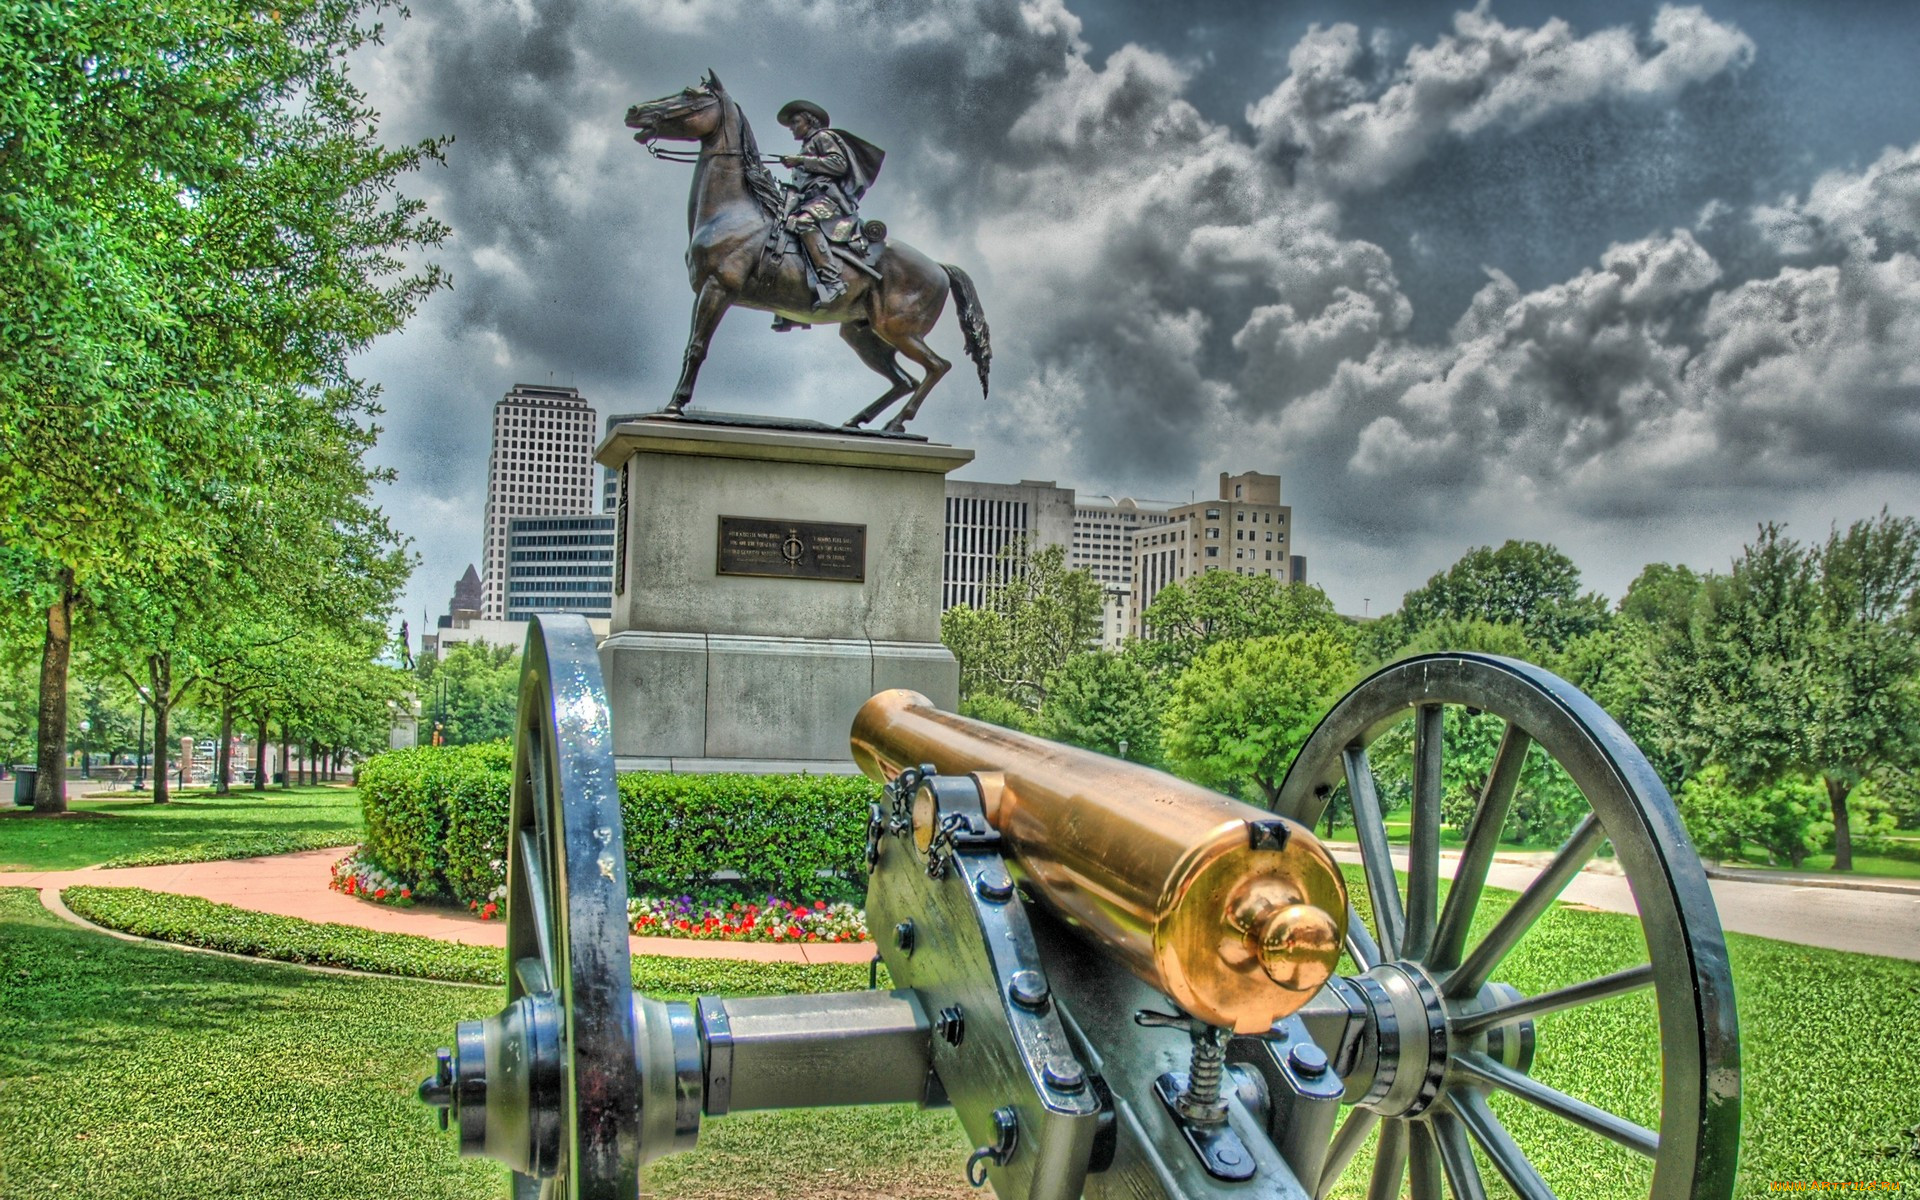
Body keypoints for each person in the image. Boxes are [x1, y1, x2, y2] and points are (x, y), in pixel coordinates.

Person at [775, 100, 884, 309]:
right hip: (810, 200)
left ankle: (833, 281)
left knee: (804, 223)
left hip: (828, 201)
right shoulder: (807, 145)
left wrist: (800, 160)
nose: (792, 128)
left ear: (809, 121)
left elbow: (839, 164)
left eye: (795, 122)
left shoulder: (822, 137)